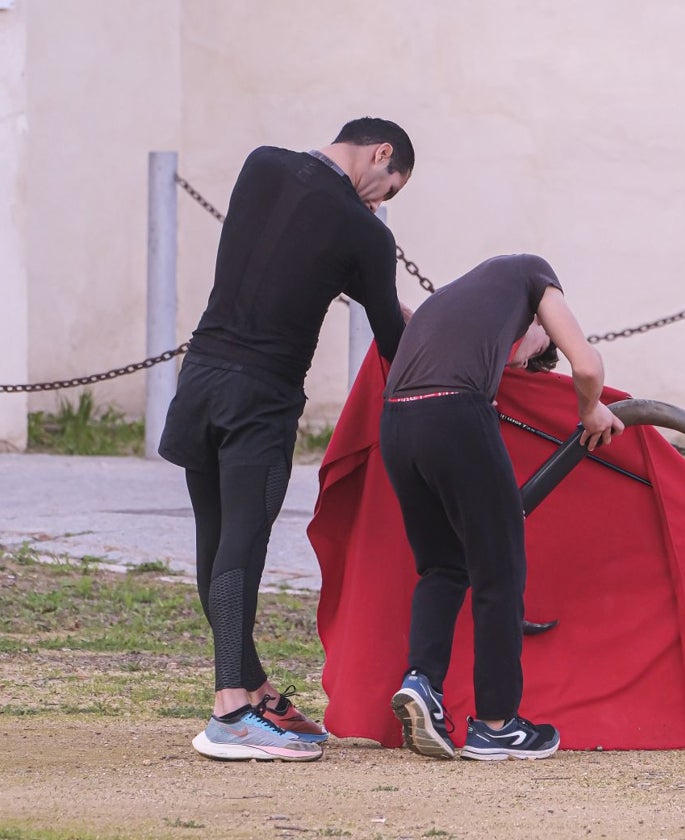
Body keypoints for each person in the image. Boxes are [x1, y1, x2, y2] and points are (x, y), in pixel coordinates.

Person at [158, 117, 415, 761]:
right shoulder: (364, 231)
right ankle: (231, 713)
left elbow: (294, 257)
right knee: (240, 548)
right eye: (389, 188)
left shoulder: (260, 164)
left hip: (202, 378)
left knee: (215, 544)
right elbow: (391, 336)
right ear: (381, 153)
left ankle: (252, 687)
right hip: (261, 397)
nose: (379, 202)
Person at [380, 253, 623, 760]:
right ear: (538, 321)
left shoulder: (456, 298)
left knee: (443, 565)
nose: (536, 352)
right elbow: (587, 364)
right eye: (542, 343)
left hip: (397, 421)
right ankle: (496, 724)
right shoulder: (533, 276)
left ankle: (422, 682)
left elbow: (499, 355)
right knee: (500, 567)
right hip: (457, 414)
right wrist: (589, 408)